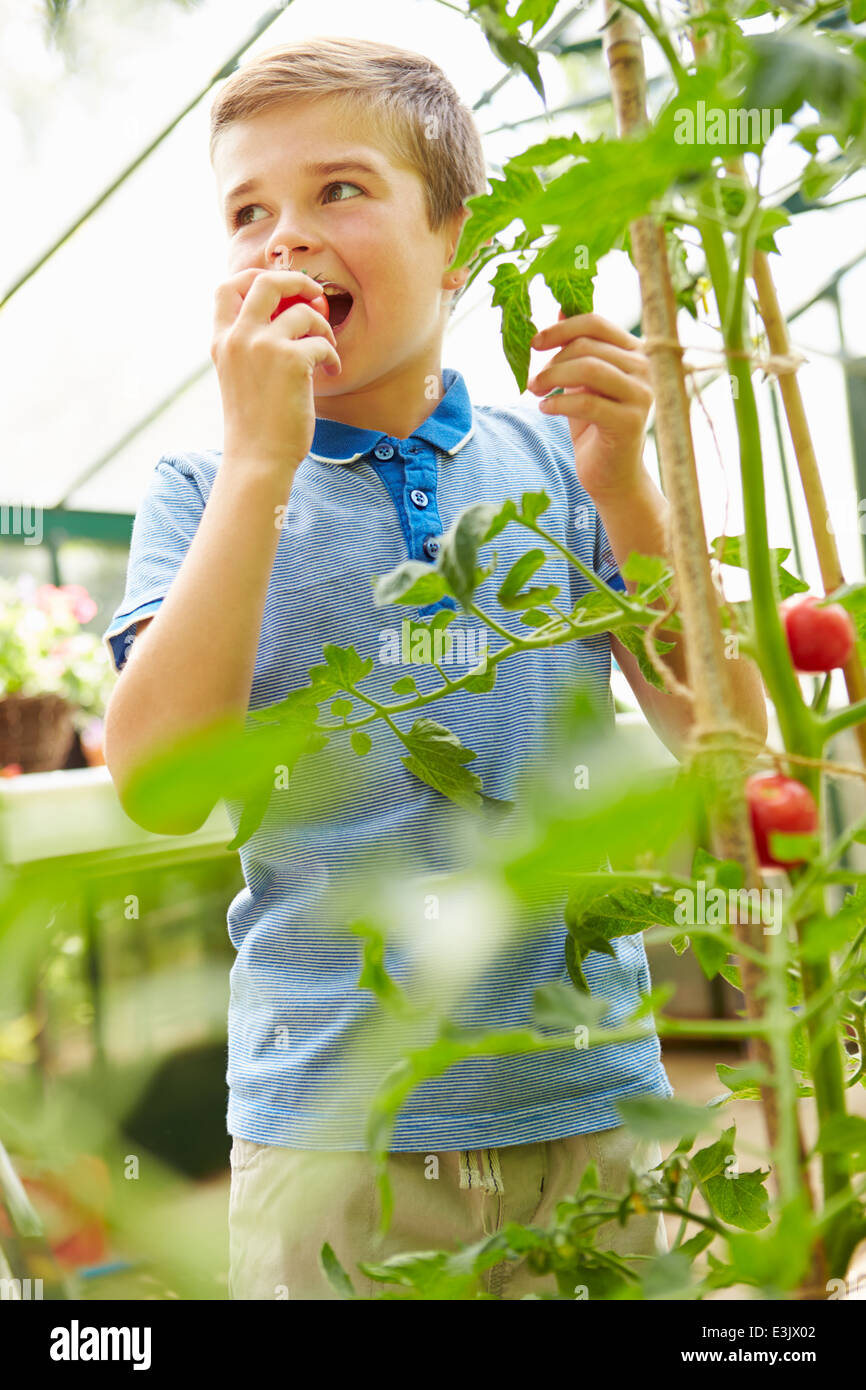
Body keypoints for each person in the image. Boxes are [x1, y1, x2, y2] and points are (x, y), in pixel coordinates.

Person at [102, 36, 767, 1300]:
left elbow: (719, 747)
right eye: (247, 212)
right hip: (330, 1131)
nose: (283, 239)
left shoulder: (552, 459)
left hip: (594, 1102)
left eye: (337, 191)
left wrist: (620, 483)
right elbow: (162, 784)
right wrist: (260, 464)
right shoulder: (200, 486)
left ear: (455, 241)